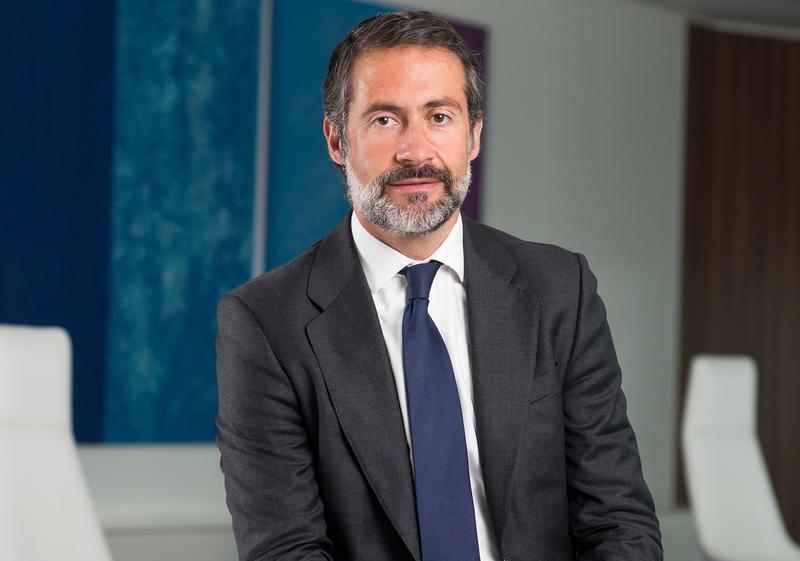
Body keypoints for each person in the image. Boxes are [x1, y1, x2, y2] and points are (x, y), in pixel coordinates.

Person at [216, 10, 662, 561]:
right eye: (385, 119)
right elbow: (285, 548)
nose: (415, 151)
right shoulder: (265, 322)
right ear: (336, 139)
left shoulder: (559, 290)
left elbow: (619, 521)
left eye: (440, 117)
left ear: (473, 136)